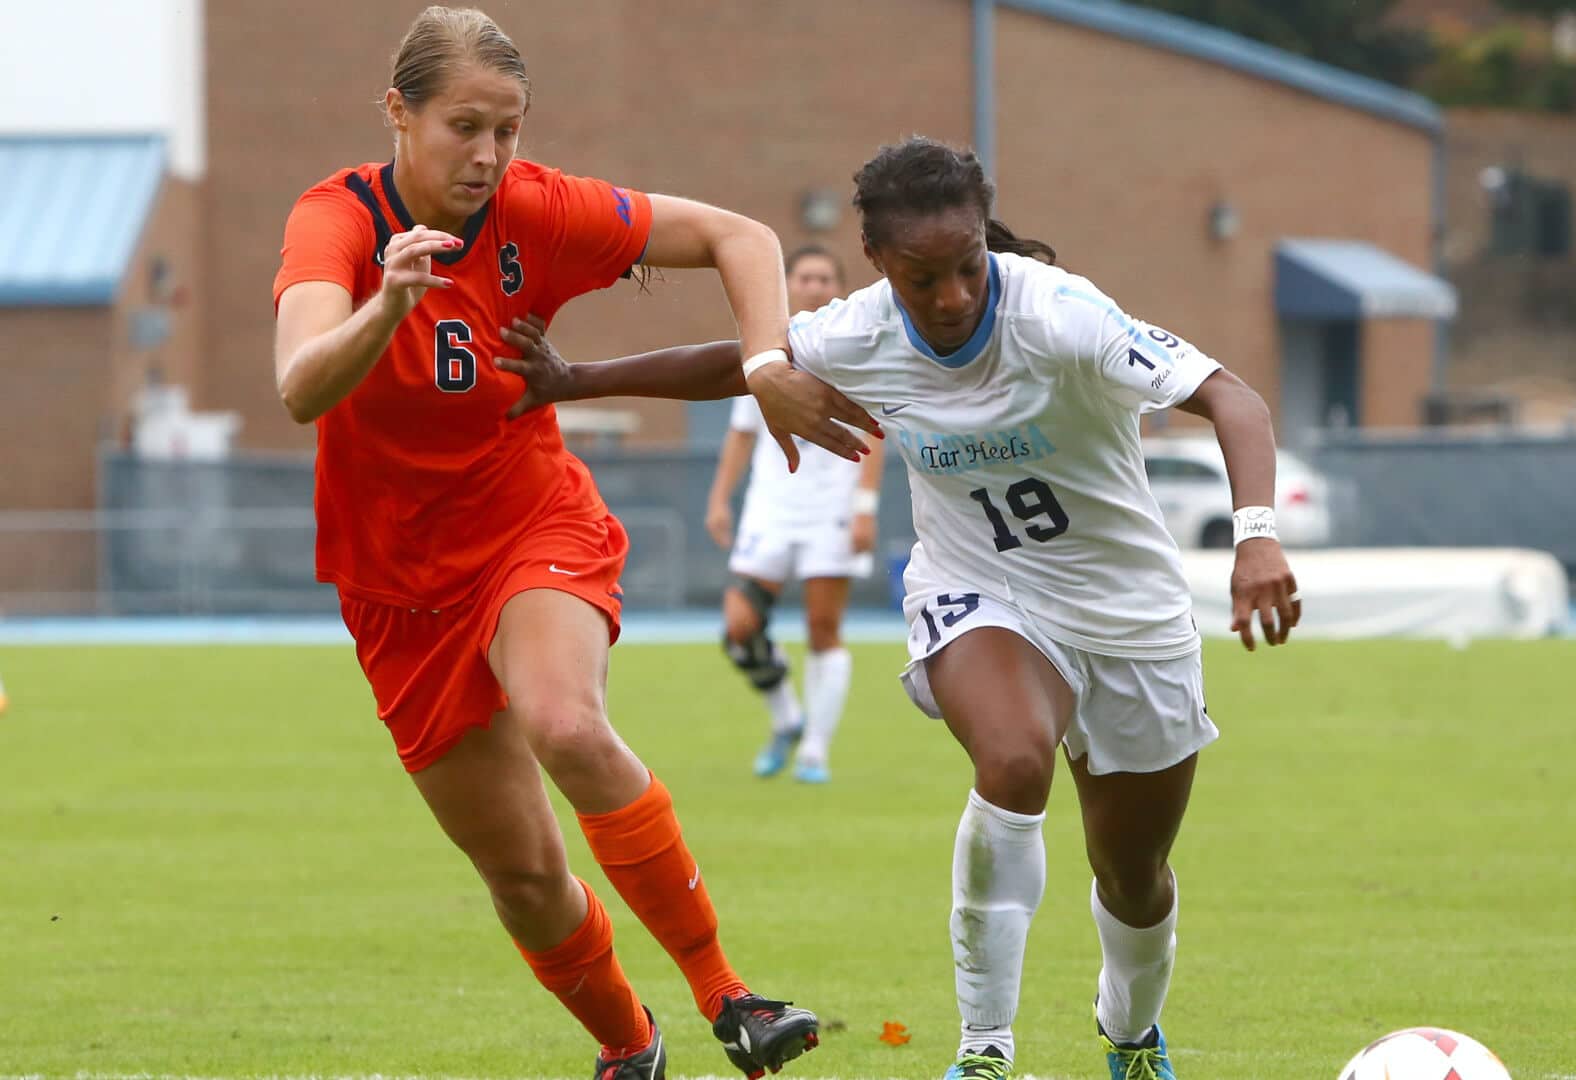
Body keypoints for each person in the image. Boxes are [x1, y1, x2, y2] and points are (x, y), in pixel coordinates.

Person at [495, 136, 1302, 1080]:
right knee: (1011, 759)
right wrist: (576, 379)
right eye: (924, 279)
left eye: (966, 268)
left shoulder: (1063, 314)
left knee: (1132, 877)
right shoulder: (859, 329)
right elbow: (734, 362)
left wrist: (1257, 534)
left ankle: (1129, 1037)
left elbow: (1234, 399)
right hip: (985, 594)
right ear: (879, 262)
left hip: (1131, 617)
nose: (953, 297)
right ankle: (985, 1053)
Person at [269, 8, 874, 1079]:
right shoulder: (337, 220)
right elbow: (299, 386)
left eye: (509, 128)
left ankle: (729, 994)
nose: (491, 154)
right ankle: (629, 1046)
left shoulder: (538, 207)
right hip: (394, 586)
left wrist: (770, 358)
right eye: (466, 126)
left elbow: (744, 236)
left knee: (567, 723)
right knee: (523, 875)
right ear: (398, 114)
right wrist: (387, 302)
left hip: (527, 522)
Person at [705, 245, 884, 784]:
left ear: (839, 287)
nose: (813, 284)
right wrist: (719, 498)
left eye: (824, 276)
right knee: (739, 626)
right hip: (771, 508)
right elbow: (741, 432)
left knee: (822, 629)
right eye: (804, 276)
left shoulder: (856, 354)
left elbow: (875, 438)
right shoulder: (766, 349)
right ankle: (786, 717)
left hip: (830, 509)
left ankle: (815, 750)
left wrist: (864, 510)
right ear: (787, 284)